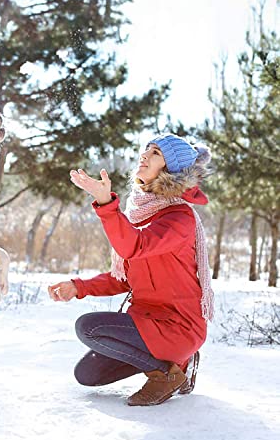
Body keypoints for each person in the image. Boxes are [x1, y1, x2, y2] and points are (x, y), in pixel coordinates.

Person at [48, 133, 214, 406]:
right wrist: (79, 287)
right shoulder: (140, 213)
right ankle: (177, 364)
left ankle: (166, 373)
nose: (145, 155)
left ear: (170, 169)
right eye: (146, 149)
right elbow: (123, 278)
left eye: (156, 153)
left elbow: (133, 246)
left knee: (89, 328)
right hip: (146, 321)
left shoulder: (179, 218)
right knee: (87, 375)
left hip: (177, 327)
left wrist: (105, 204)